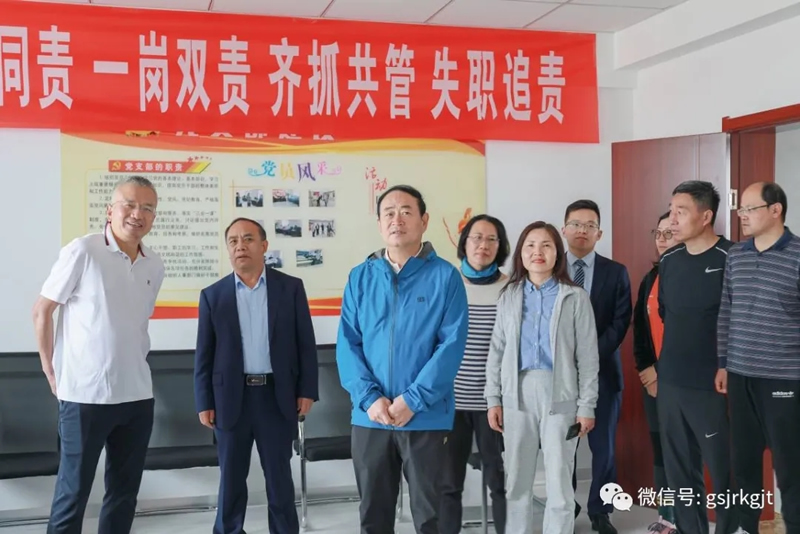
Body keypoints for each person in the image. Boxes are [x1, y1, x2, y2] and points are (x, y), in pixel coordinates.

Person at [32, 176, 165, 534]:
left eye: (147, 208)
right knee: (73, 493)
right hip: (85, 396)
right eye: (129, 205)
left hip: (137, 395)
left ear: (154, 217)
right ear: (110, 210)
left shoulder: (154, 264)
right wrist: (50, 368)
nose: (138, 214)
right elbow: (42, 310)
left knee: (124, 494)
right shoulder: (84, 250)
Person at [336, 185, 469, 534]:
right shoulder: (360, 277)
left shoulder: (445, 277)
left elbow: (451, 346)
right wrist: (369, 398)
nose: (397, 219)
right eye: (389, 213)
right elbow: (348, 344)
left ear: (424, 221)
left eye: (407, 212)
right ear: (380, 224)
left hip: (426, 417)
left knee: (431, 517)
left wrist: (413, 399)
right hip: (371, 418)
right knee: (373, 515)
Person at [194, 217, 318, 534]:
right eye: (233, 241)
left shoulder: (290, 288)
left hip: (276, 396)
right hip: (229, 399)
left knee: (279, 478)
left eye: (248, 239)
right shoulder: (213, 295)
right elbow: (204, 354)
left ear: (264, 246)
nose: (240, 246)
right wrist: (204, 401)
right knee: (231, 479)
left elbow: (305, 343)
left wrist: (307, 390)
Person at [485, 220, 599, 534]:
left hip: (561, 393)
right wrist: (493, 399)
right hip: (517, 392)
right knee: (517, 479)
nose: (538, 252)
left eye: (546, 245)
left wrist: (586, 405)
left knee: (559, 478)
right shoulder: (509, 295)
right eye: (530, 245)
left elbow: (588, 357)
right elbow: (497, 350)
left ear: (557, 253)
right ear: (520, 253)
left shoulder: (574, 297)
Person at [717, 182, 800, 534]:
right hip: (739, 375)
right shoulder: (736, 255)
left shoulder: (797, 255)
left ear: (775, 210)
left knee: (790, 465)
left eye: (750, 209)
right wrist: (723, 362)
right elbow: (726, 312)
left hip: (784, 379)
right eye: (741, 210)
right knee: (743, 461)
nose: (743, 216)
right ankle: (744, 527)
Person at [657, 180, 739, 534]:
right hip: (672, 382)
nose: (672, 220)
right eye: (671, 211)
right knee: (680, 474)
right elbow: (666, 313)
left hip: (714, 386)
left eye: (681, 212)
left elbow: (745, 321)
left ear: (706, 216)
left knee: (724, 472)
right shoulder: (669, 260)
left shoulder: (733, 258)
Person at [562, 199, 631, 534]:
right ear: (564, 229)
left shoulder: (616, 272)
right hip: (560, 377)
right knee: (564, 446)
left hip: (604, 373)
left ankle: (601, 511)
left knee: (604, 448)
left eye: (590, 225)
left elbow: (620, 322)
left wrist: (588, 356)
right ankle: (566, 504)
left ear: (599, 233)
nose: (582, 231)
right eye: (576, 224)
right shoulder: (549, 268)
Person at [439, 214, 511, 534]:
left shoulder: (511, 289)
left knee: (499, 480)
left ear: (500, 246)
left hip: (494, 403)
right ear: (464, 243)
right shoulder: (447, 284)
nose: (483, 245)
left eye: (491, 239)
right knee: (448, 483)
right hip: (450, 402)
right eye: (476, 238)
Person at [632, 212, 678, 534]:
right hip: (653, 381)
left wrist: (663, 372)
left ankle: (685, 517)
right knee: (661, 451)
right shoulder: (650, 278)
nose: (661, 239)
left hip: (683, 380)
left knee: (682, 453)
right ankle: (667, 517)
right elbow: (640, 331)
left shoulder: (693, 276)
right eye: (657, 232)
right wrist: (647, 369)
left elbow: (693, 334)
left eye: (668, 233)